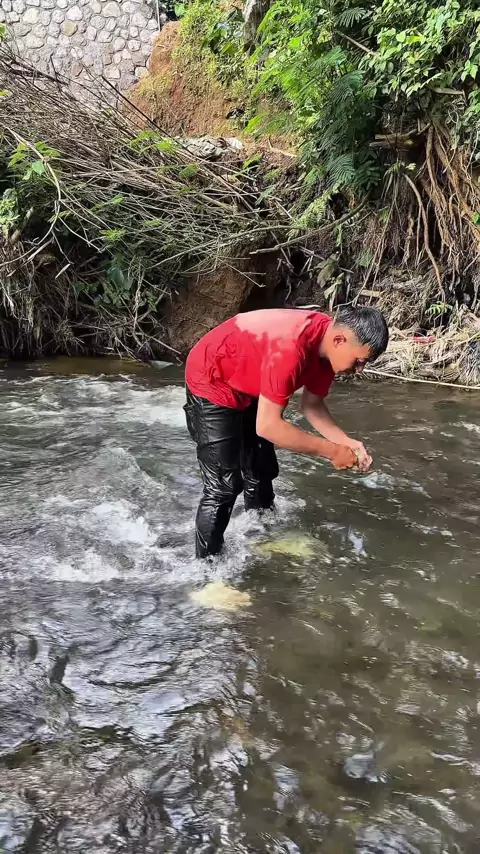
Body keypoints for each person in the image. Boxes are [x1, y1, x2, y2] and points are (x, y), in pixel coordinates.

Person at [184, 306, 388, 558]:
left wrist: (346, 442)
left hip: (250, 379)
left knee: (261, 469)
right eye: (359, 361)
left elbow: (311, 406)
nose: (361, 369)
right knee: (224, 487)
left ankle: (262, 535)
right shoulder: (291, 348)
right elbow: (268, 426)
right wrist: (333, 452)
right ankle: (208, 570)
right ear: (339, 340)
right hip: (212, 377)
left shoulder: (327, 349)